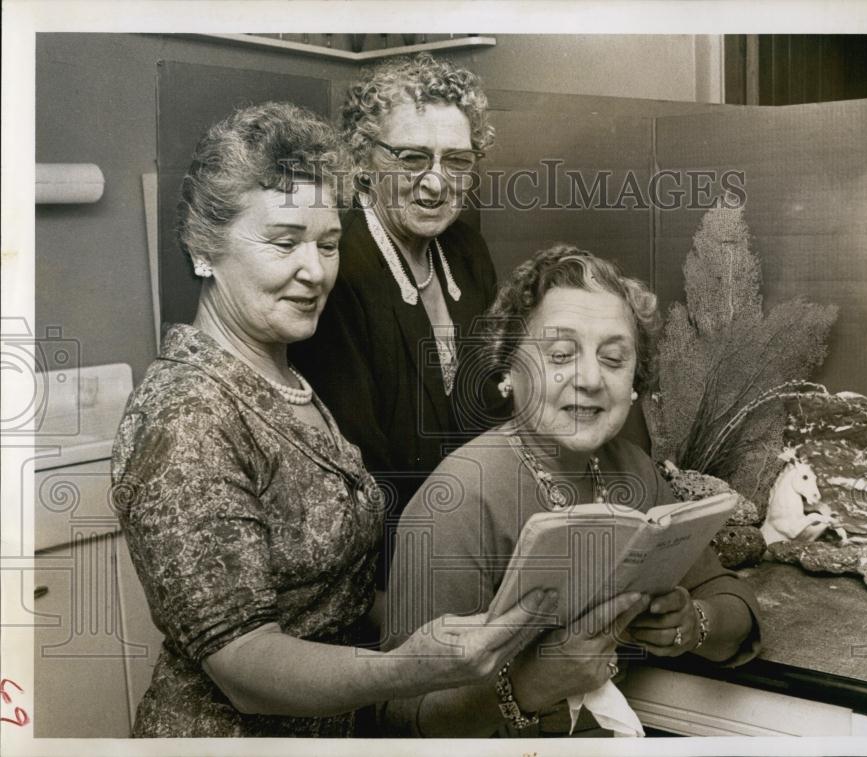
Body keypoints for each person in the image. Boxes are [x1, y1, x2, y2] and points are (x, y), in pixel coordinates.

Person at [110, 102, 559, 738]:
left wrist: (468, 622)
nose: (315, 271)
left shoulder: (286, 378)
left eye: (328, 243)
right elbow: (243, 663)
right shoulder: (188, 414)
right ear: (204, 247)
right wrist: (409, 666)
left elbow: (329, 597)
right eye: (284, 241)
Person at [382, 245, 763, 737]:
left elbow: (732, 600)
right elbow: (397, 723)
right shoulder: (457, 500)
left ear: (633, 383)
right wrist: (532, 683)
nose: (588, 379)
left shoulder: (630, 469)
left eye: (613, 358)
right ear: (506, 368)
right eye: (560, 355)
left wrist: (694, 623)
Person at [290, 53, 506, 588]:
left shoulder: (467, 249)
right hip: (391, 566)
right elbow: (363, 470)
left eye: (456, 161)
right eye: (412, 158)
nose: (436, 184)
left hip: (481, 533)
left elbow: (493, 404)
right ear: (363, 159)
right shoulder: (338, 266)